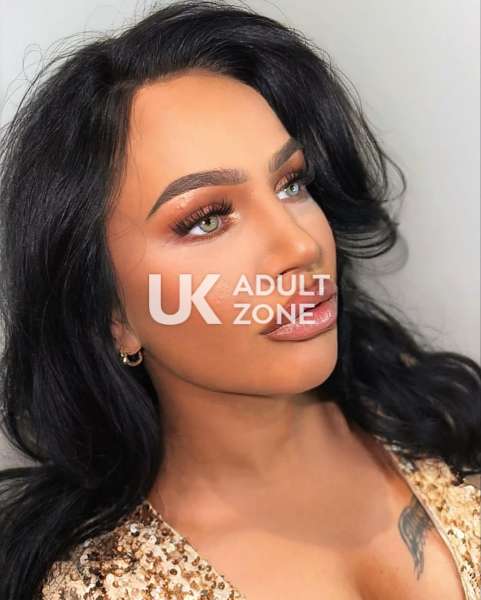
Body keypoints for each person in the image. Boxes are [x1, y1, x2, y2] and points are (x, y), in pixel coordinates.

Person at [0, 1, 479, 599]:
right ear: (113, 315)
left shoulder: (442, 423)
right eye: (206, 219)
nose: (300, 244)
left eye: (292, 183)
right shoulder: (106, 587)